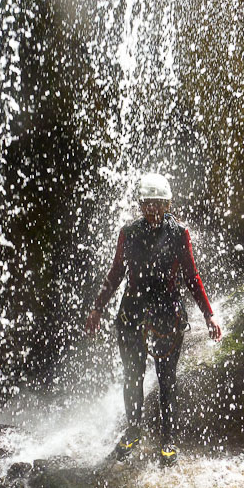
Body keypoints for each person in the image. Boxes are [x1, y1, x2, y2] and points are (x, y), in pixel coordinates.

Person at [85, 172, 222, 466]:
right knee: (132, 375)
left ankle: (168, 439)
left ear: (168, 204)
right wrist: (97, 308)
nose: (153, 209)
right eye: (148, 203)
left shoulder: (179, 233)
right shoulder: (128, 232)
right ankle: (133, 430)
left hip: (167, 311)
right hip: (132, 309)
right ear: (140, 204)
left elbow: (191, 276)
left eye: (159, 203)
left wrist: (209, 315)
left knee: (167, 379)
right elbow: (115, 274)